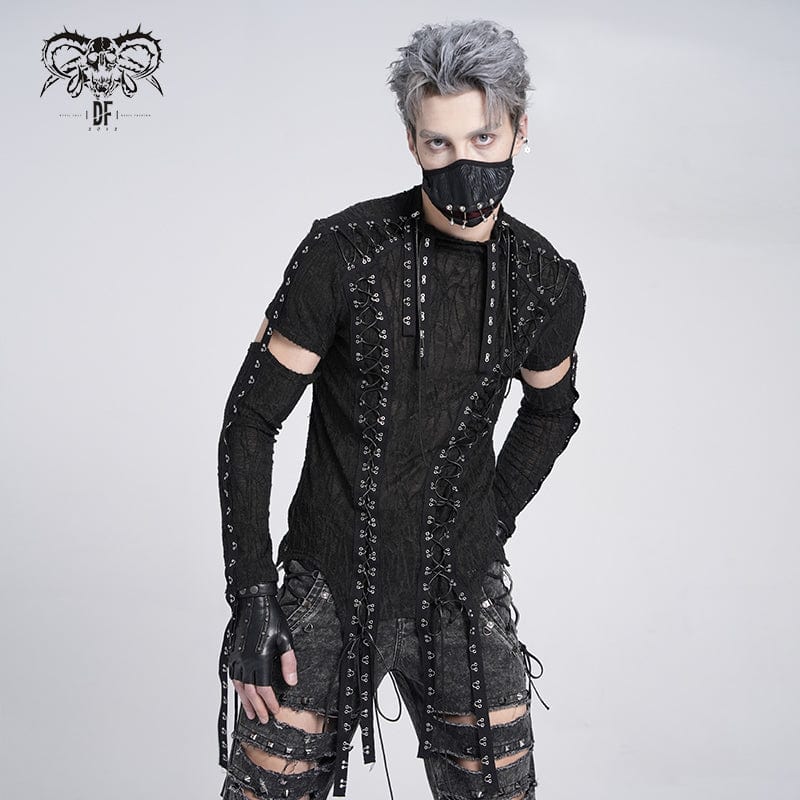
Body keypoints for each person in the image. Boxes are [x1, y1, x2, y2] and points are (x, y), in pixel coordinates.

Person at [215, 18, 586, 800]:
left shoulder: (544, 283)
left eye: (483, 138)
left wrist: (487, 517)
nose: (463, 164)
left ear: (520, 130)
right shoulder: (343, 254)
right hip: (326, 586)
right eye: (439, 144)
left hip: (461, 594)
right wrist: (251, 597)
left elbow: (551, 413)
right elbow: (251, 419)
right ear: (412, 142)